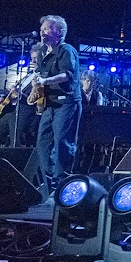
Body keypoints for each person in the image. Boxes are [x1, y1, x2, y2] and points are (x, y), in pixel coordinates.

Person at [31, 14, 83, 199]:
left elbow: (66, 75)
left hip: (66, 102)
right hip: (49, 104)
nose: (42, 33)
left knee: (62, 141)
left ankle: (62, 182)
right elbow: (38, 76)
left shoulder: (66, 50)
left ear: (59, 32)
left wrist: (45, 80)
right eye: (42, 29)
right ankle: (47, 183)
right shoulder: (42, 53)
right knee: (43, 142)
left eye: (47, 29)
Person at [0, 44, 42, 148]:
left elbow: (37, 99)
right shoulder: (28, 75)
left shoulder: (43, 76)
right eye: (32, 58)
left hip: (24, 112)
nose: (33, 61)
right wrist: (3, 99)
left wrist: (20, 95)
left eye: (35, 58)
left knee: (15, 142)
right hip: (11, 110)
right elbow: (14, 92)